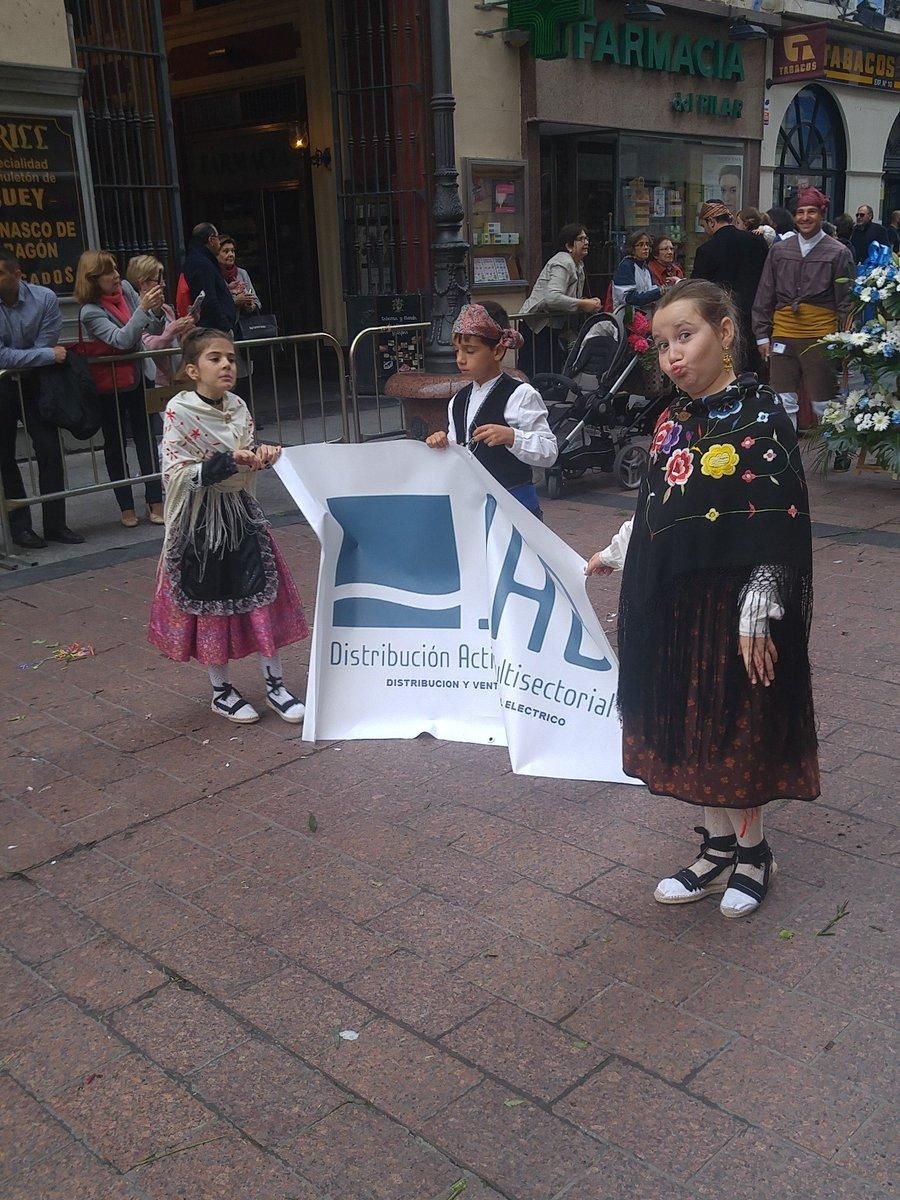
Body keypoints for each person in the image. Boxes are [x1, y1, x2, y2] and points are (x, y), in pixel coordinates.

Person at [586, 279, 818, 918]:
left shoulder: (761, 412)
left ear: (726, 331)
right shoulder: (670, 419)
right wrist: (615, 551)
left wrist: (764, 592)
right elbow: (658, 506)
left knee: (737, 721)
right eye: (662, 344)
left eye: (685, 336)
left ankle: (754, 851)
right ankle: (716, 847)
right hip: (677, 601)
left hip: (739, 604)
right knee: (693, 721)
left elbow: (781, 515)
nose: (672, 356)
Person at [148, 328, 308, 724]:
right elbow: (175, 472)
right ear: (192, 369)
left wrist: (262, 454)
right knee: (211, 602)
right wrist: (226, 461)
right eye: (215, 358)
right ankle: (221, 689)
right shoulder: (178, 412)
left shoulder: (238, 406)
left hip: (240, 514)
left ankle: (275, 684)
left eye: (231, 359)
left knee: (261, 595)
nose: (226, 365)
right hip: (202, 524)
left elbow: (246, 453)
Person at [425, 301, 557, 518]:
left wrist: (512, 436)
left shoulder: (521, 394)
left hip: (516, 508)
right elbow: (457, 450)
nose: (460, 359)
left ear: (497, 351)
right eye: (457, 350)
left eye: (470, 351)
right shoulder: (458, 400)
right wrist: (441, 444)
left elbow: (549, 452)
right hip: (475, 507)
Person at [75, 250, 166, 528]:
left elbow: (152, 327)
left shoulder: (126, 289)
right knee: (115, 443)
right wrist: (142, 310)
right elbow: (122, 339)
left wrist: (157, 310)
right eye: (108, 272)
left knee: (147, 439)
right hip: (109, 385)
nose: (116, 276)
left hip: (140, 377)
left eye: (115, 269)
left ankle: (155, 501)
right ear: (92, 279)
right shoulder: (90, 312)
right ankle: (126, 506)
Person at [0, 249, 84, 549]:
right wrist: (45, 356)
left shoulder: (44, 298)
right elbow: (5, 356)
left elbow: (44, 342)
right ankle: (21, 527)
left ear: (17, 274)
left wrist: (38, 356)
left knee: (49, 449)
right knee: (5, 457)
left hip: (39, 384)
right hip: (3, 387)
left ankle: (56, 524)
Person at [752, 186, 854, 428]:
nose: (805, 218)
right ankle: (787, 456)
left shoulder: (839, 252)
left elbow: (847, 302)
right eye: (799, 212)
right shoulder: (779, 250)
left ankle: (836, 448)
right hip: (783, 332)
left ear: (822, 214)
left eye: (811, 212)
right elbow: (765, 293)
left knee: (823, 401)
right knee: (782, 400)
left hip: (820, 334)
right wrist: (761, 336)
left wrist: (845, 338)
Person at [692, 200, 769, 376]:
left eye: (704, 225)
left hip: (724, 316)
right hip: (757, 315)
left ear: (711, 221)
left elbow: (699, 288)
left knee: (729, 368)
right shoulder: (757, 241)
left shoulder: (706, 250)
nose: (705, 230)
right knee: (756, 369)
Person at [518, 224, 602, 375]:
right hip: (538, 324)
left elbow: (567, 296)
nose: (586, 242)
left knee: (552, 366)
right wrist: (583, 304)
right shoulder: (563, 262)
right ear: (569, 245)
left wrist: (585, 301)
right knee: (536, 368)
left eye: (586, 238)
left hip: (553, 324)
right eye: (581, 239)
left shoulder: (578, 264)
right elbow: (553, 298)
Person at [126, 255, 196, 385]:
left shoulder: (166, 309)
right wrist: (172, 329)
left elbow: (175, 340)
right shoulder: (135, 313)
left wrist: (186, 327)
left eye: (163, 279)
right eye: (158, 280)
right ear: (143, 283)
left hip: (176, 377)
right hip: (157, 381)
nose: (163, 284)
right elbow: (148, 346)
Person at [181, 222, 237, 333]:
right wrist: (225, 327)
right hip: (214, 331)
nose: (219, 244)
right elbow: (208, 299)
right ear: (211, 240)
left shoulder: (199, 260)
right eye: (217, 238)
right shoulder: (202, 263)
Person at [612, 229, 662, 311]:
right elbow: (629, 298)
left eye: (647, 244)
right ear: (632, 248)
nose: (645, 248)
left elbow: (652, 291)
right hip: (628, 318)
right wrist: (660, 291)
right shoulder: (626, 266)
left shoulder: (645, 267)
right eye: (641, 244)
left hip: (646, 316)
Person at [217, 236, 261, 318]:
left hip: (243, 325)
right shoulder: (214, 274)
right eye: (226, 251)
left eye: (233, 251)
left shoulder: (242, 273)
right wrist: (235, 301)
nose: (231, 254)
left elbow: (256, 302)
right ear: (216, 254)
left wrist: (249, 304)